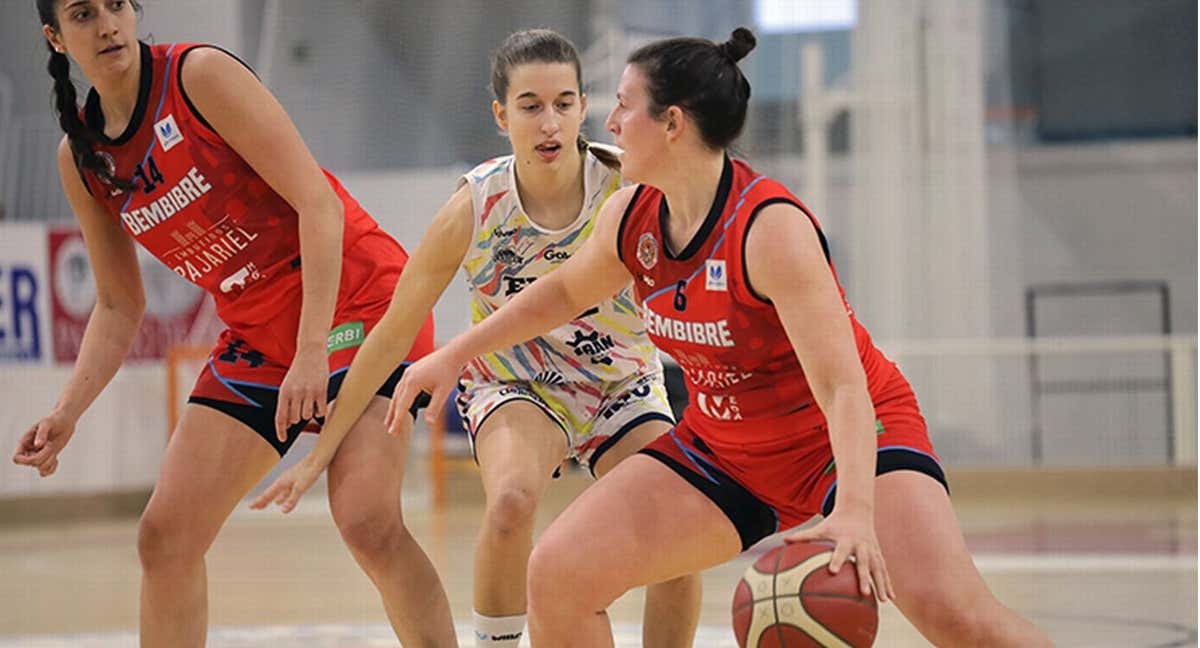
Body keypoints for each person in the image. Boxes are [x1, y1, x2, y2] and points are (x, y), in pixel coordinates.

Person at [394, 27, 1055, 648]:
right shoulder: (632, 214)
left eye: (625, 108)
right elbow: (562, 293)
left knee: (956, 617)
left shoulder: (770, 229)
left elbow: (841, 383)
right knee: (559, 574)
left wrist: (856, 510)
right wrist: (451, 356)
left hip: (842, 441)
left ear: (673, 124)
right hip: (728, 449)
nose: (611, 125)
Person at [13, 2, 456, 646]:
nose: (107, 24)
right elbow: (117, 305)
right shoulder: (83, 160)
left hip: (359, 307)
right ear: (56, 37)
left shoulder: (198, 76)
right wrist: (67, 411)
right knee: (165, 538)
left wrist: (311, 354)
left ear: (135, 13)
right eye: (83, 14)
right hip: (261, 338)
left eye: (116, 5)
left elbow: (319, 205)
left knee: (365, 519)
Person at [252, 28, 701, 648]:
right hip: (517, 382)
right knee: (512, 500)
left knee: (677, 528)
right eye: (531, 105)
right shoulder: (475, 205)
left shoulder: (631, 187)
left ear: (582, 108)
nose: (550, 123)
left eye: (565, 103)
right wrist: (323, 451)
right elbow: (391, 335)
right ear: (500, 115)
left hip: (621, 380)